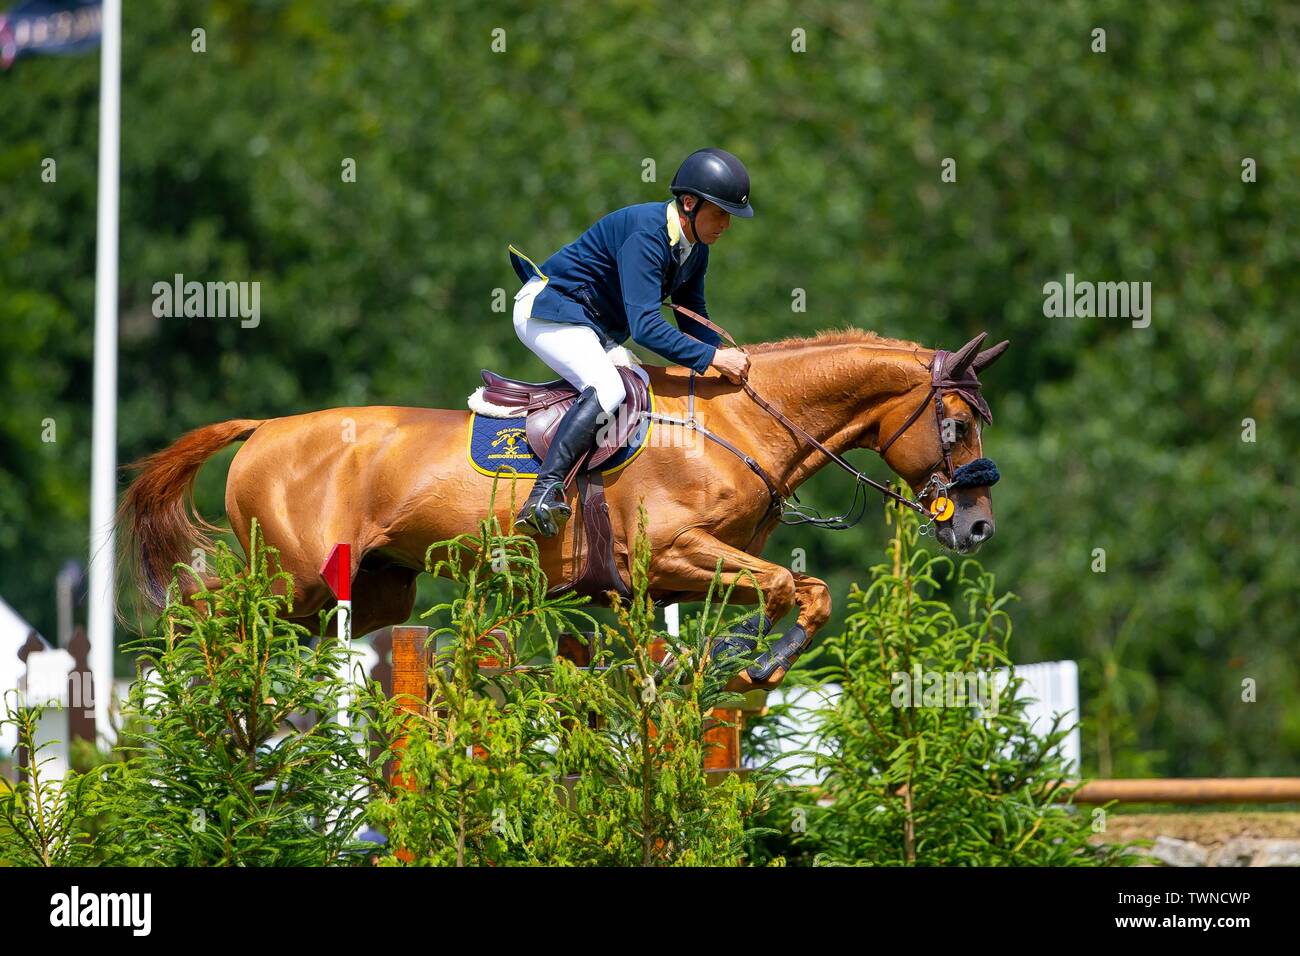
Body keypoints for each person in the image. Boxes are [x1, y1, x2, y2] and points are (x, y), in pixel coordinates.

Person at [509, 147, 754, 537]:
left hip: (590, 326)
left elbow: (695, 317)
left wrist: (724, 357)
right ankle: (543, 492)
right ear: (689, 204)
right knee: (608, 387)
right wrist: (713, 358)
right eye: (721, 212)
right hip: (549, 311)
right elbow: (645, 328)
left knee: (640, 385)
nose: (726, 223)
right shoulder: (647, 234)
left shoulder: (695, 250)